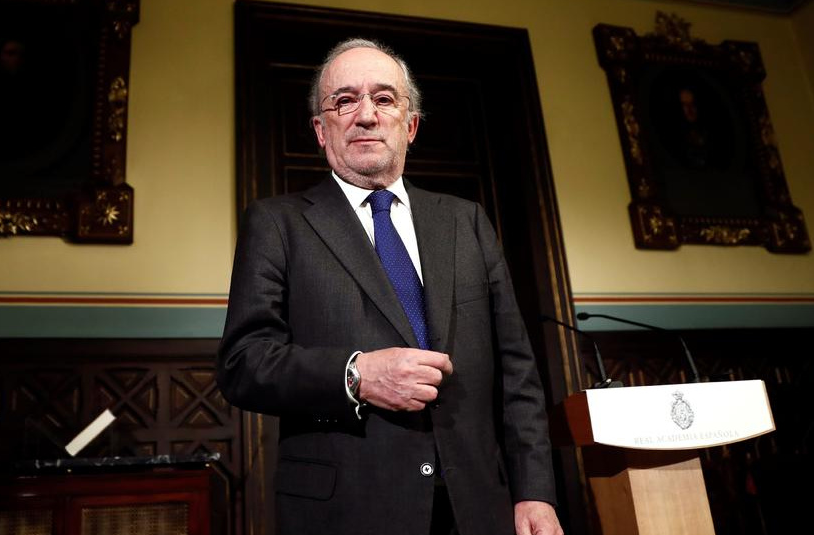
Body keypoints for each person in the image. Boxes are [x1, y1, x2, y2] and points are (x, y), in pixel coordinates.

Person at [217, 38, 563, 535]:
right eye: (344, 101)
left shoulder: (466, 220)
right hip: (347, 511)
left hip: (476, 506)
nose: (366, 115)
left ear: (410, 125)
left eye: (383, 99)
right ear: (321, 130)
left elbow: (517, 372)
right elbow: (243, 364)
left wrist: (535, 492)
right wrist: (355, 375)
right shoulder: (277, 223)